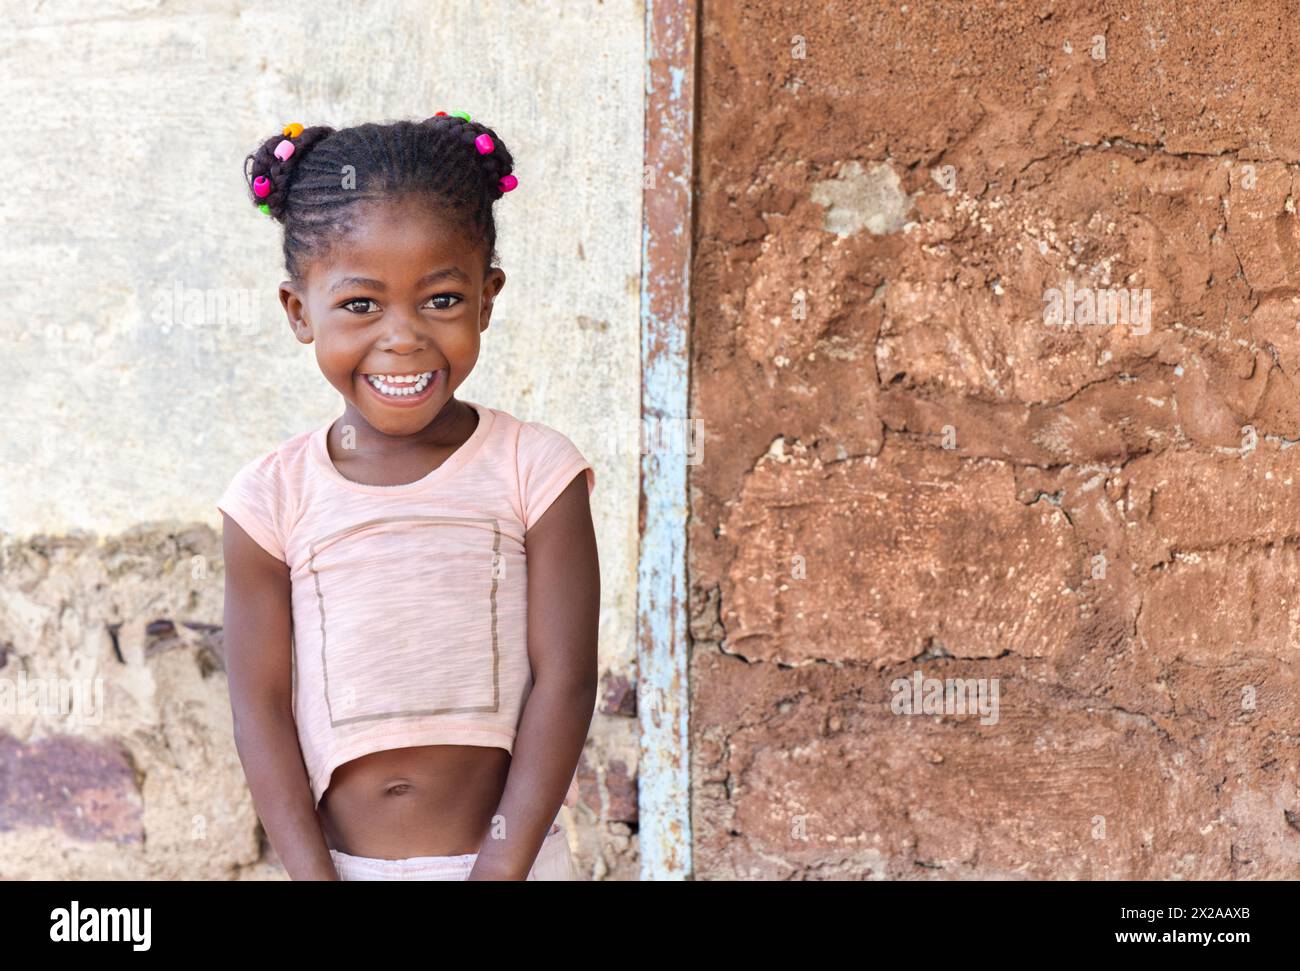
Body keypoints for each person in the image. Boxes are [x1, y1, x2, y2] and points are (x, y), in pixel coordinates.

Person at [217, 113, 598, 880]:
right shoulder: (269, 500)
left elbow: (567, 678)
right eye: (361, 305)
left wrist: (498, 868)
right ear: (300, 311)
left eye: (442, 300)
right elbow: (258, 710)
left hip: (508, 864)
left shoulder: (535, 470)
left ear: (487, 299)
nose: (403, 338)